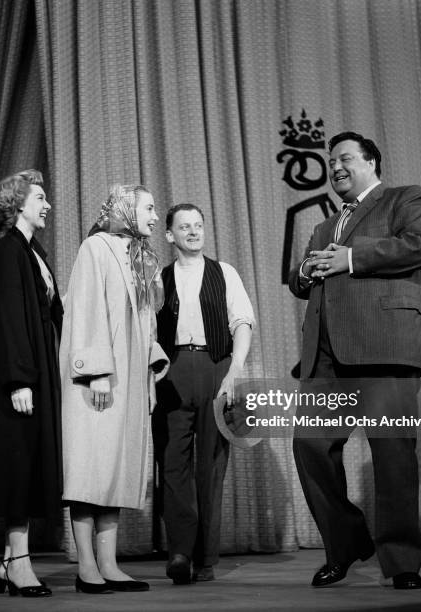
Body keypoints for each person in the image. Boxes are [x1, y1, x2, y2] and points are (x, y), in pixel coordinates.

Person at [289, 131, 421, 589]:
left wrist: (351, 258)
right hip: (327, 356)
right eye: (330, 160)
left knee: (392, 454)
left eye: (345, 158)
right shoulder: (322, 225)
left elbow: (419, 246)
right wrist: (304, 272)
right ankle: (347, 542)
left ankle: (401, 561)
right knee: (309, 446)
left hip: (385, 346)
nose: (335, 166)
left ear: (371, 162)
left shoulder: (404, 198)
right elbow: (304, 282)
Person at [60, 184, 169, 594]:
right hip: (99, 378)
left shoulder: (140, 256)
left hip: (130, 378)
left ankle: (109, 562)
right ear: (125, 208)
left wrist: (149, 371)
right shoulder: (96, 247)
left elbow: (144, 323)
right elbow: (85, 308)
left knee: (116, 471)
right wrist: (97, 372)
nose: (156, 217)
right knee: (91, 468)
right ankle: (86, 564)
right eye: (150, 208)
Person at [153, 204, 255, 584]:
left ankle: (205, 559)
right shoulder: (159, 278)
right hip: (171, 370)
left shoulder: (224, 272)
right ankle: (179, 551)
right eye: (184, 227)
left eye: (198, 225)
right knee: (172, 463)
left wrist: (234, 372)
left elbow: (241, 322)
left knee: (211, 466)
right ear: (169, 235)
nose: (193, 232)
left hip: (216, 368)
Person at [0, 169, 63, 597]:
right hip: (19, 378)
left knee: (28, 465)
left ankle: (8, 563)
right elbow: (8, 320)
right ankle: (18, 563)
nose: (47, 204)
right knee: (17, 467)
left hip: (37, 372)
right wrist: (18, 381)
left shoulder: (33, 252)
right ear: (17, 204)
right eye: (40, 197)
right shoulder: (5, 252)